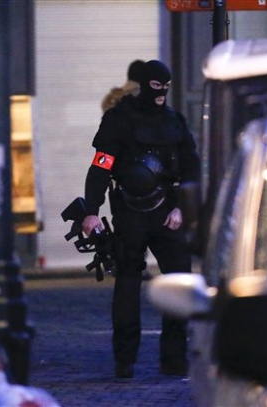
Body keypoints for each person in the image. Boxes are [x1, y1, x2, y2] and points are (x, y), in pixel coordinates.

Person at [81, 60, 200, 379]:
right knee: (127, 285)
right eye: (156, 87)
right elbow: (101, 166)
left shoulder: (174, 121)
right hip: (129, 211)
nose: (161, 93)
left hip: (168, 213)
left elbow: (191, 168)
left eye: (166, 87)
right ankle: (125, 359)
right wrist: (91, 211)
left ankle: (174, 360)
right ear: (145, 85)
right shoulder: (119, 120)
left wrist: (182, 208)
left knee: (179, 283)